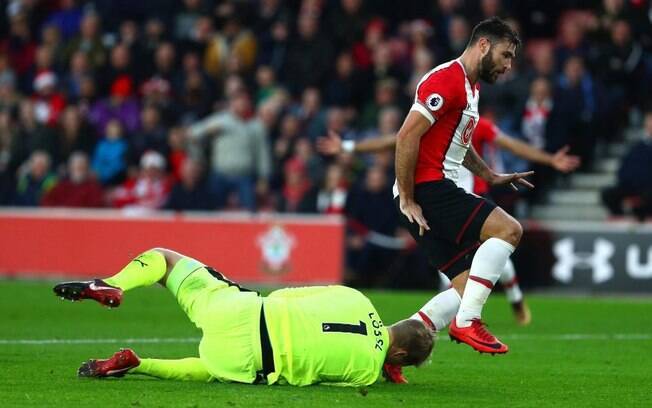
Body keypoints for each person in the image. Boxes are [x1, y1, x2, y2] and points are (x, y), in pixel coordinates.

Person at [317, 117, 579, 329]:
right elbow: (397, 140)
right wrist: (349, 147)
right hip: (443, 202)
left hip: (471, 200)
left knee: (498, 253)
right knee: (465, 267)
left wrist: (549, 159)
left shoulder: (477, 125)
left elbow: (511, 145)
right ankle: (456, 321)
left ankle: (512, 301)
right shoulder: (433, 121)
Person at [52, 248, 434, 386]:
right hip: (251, 362)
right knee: (211, 368)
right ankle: (140, 364)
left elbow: (288, 293)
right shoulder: (367, 372)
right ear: (398, 359)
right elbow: (321, 380)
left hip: (242, 312)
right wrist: (382, 366)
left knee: (165, 260)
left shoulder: (357, 298)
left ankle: (115, 284)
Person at [394, 17, 526, 357]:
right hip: (429, 189)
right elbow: (407, 135)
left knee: (465, 288)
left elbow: (459, 144)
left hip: (431, 189)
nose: (508, 65)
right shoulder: (447, 80)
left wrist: (491, 175)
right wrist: (408, 197)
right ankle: (468, 322)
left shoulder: (470, 87)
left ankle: (390, 352)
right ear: (483, 45)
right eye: (506, 55)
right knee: (509, 230)